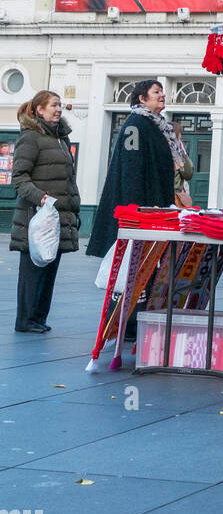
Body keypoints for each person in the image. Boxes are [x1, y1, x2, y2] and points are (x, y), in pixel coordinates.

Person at [11, 91, 81, 333]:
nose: (59, 109)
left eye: (60, 105)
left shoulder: (62, 140)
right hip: (36, 216)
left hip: (59, 215)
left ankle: (38, 318)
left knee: (49, 269)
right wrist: (41, 198)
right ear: (39, 110)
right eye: (53, 105)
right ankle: (26, 320)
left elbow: (69, 178)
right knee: (33, 271)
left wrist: (75, 205)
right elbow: (19, 177)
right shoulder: (31, 138)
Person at [87, 78, 177, 260]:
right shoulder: (135, 124)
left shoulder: (158, 125)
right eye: (156, 92)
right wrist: (135, 210)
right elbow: (131, 168)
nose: (162, 95)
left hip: (154, 201)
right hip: (141, 204)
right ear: (142, 99)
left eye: (162, 91)